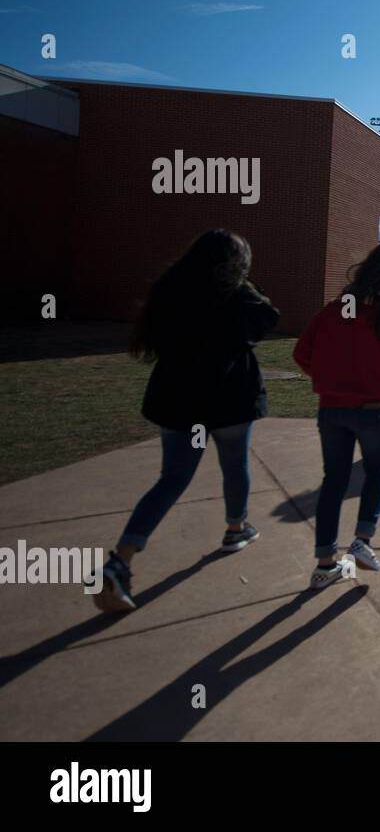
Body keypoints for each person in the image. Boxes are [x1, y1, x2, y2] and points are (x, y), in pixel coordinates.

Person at [91, 230, 280, 613]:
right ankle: (235, 528)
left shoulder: (171, 290)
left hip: (179, 403)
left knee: (173, 478)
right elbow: (268, 318)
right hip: (228, 401)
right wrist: (243, 283)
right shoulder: (237, 293)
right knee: (234, 465)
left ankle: (121, 559)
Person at [293, 243, 380, 588]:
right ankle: (362, 540)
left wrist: (330, 380)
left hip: (333, 408)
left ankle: (325, 562)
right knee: (377, 470)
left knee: (333, 480)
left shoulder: (336, 310)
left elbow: (302, 353)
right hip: (376, 409)